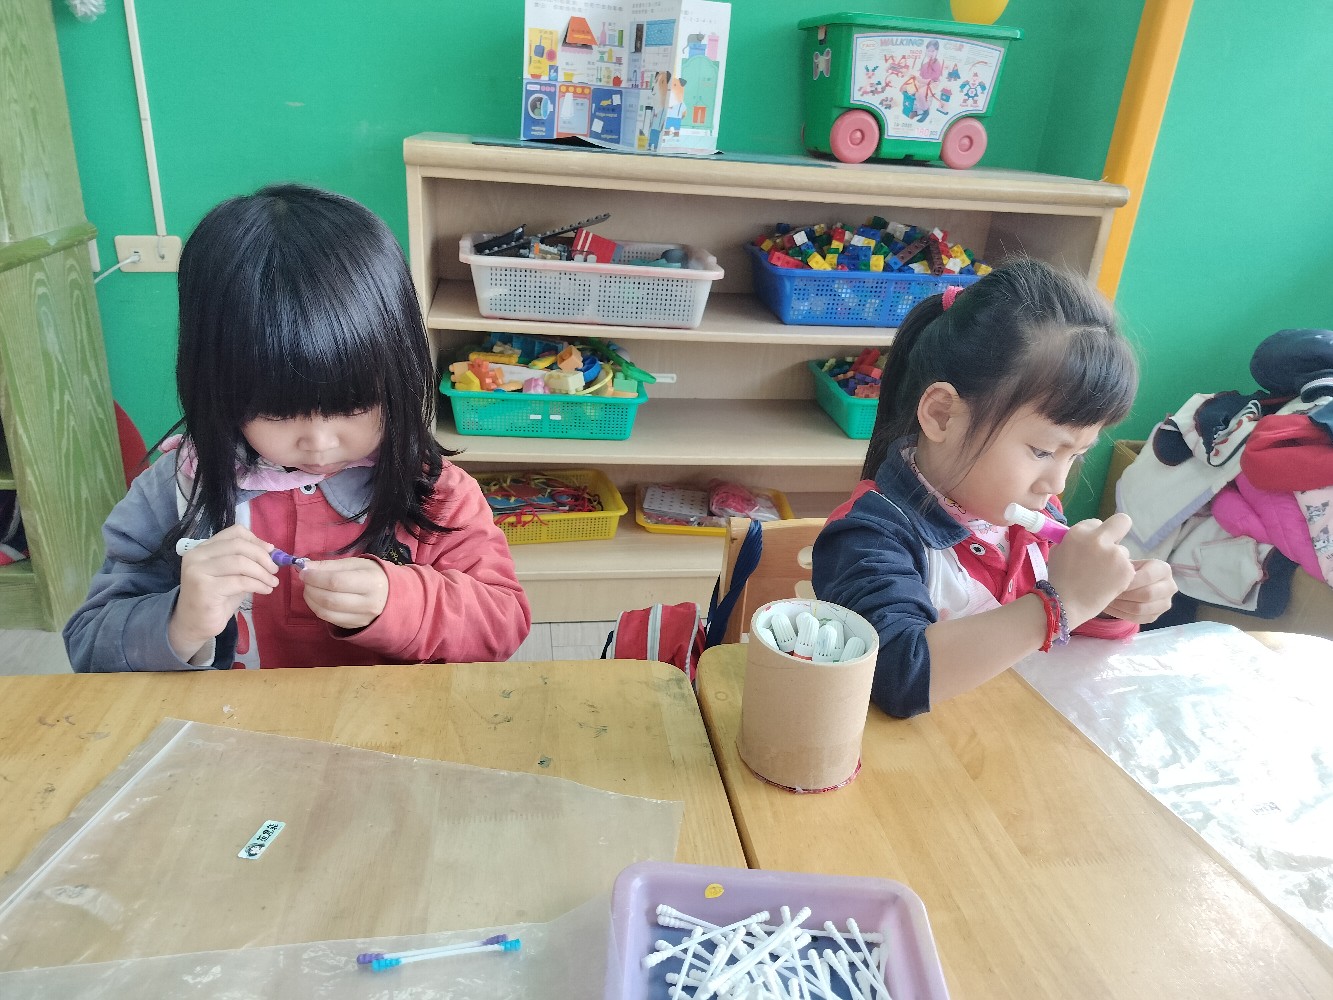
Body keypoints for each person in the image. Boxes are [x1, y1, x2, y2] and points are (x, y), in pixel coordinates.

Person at [65, 184, 531, 671]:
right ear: (216, 387)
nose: (320, 441)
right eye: (279, 412)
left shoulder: (435, 492)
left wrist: (401, 601)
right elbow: (87, 647)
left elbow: (503, 622)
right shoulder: (177, 490)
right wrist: (180, 622)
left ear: (400, 373)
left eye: (354, 404)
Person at [813, 258, 1176, 717]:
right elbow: (895, 674)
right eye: (1043, 450)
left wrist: (1109, 599)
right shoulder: (870, 535)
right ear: (943, 415)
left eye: (1077, 455)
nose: (1057, 483)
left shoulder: (1031, 518)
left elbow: (1064, 641)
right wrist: (1059, 604)